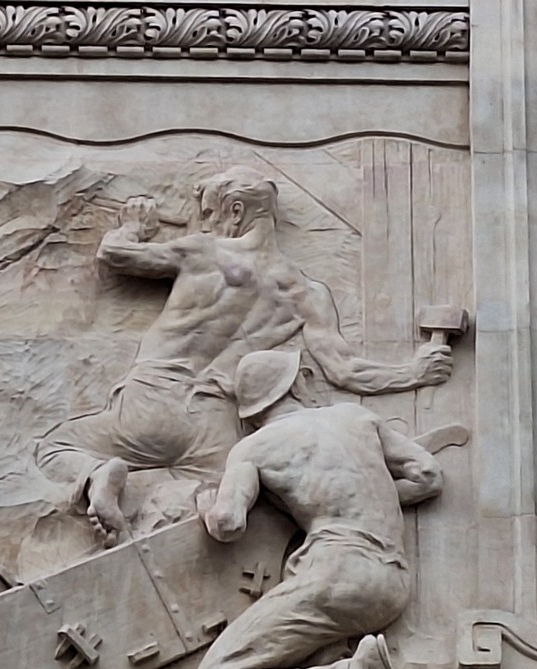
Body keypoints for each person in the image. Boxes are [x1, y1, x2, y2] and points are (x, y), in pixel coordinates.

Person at [36, 167, 451, 546]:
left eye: (209, 213)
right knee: (216, 494)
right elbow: (346, 371)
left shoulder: (203, 252)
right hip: (218, 425)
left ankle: (98, 476)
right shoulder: (306, 293)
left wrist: (133, 227)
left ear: (235, 211)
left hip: (152, 398)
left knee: (55, 447)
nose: (205, 223)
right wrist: (414, 372)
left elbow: (114, 254)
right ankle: (154, 527)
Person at [187, 350, 446, 669]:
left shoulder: (255, 447)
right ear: (298, 384)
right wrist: (369, 496)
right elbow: (428, 476)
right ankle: (341, 668)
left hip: (334, 578)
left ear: (250, 414)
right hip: (391, 583)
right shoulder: (356, 416)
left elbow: (228, 523)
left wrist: (207, 507)